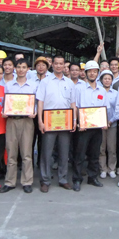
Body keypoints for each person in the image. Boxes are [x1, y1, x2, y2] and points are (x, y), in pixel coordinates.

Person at [36, 55, 75, 193]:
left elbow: (73, 103)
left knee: (64, 152)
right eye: (56, 63)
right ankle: (45, 180)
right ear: (52, 64)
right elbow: (40, 102)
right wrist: (40, 121)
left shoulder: (69, 83)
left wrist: (74, 120)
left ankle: (63, 179)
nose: (59, 66)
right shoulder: (45, 82)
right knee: (46, 152)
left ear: (64, 65)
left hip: (65, 122)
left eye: (61, 63)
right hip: (49, 121)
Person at [0, 59, 37, 194]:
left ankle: (27, 181)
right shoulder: (9, 85)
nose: (21, 69)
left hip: (27, 121)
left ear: (28, 69)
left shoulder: (33, 85)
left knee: (26, 153)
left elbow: (36, 103)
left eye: (24, 67)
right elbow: (5, 102)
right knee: (11, 152)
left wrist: (34, 112)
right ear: (15, 69)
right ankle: (10, 182)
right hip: (11, 120)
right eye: (19, 67)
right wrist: (3, 112)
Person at [73, 60, 108, 191]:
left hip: (97, 127)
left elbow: (104, 108)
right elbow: (76, 106)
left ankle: (93, 177)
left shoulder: (102, 90)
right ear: (86, 73)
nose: (92, 74)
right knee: (80, 154)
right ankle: (77, 179)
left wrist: (105, 122)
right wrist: (78, 122)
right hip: (83, 127)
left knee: (95, 153)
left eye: (95, 71)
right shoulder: (79, 88)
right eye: (90, 71)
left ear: (98, 73)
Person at [99, 70, 118, 179]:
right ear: (101, 80)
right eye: (105, 78)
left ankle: (112, 168)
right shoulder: (98, 92)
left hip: (112, 124)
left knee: (111, 148)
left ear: (112, 80)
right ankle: (103, 169)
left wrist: (111, 121)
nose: (107, 80)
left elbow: (118, 109)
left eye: (109, 79)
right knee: (101, 148)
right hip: (100, 124)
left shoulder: (115, 93)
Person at [32, 56, 51, 168]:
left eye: (43, 65)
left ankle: (42, 164)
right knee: (31, 139)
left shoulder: (51, 79)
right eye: (38, 65)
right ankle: (30, 165)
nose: (41, 67)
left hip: (46, 114)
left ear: (47, 67)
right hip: (32, 114)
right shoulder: (30, 80)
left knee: (44, 141)